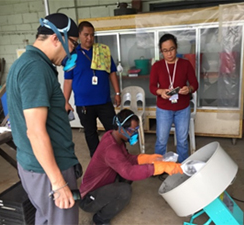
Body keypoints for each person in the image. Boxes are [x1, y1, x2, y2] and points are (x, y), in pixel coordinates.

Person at [6, 13, 81, 225]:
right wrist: (58, 183)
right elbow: (35, 132)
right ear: (57, 38)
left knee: (47, 218)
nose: (73, 50)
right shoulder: (35, 68)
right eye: (73, 43)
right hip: (48, 169)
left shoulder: (29, 63)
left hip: (39, 167)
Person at [79, 109, 183, 225]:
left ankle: (107, 198)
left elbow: (127, 159)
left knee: (130, 173)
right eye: (131, 131)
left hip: (103, 184)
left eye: (136, 130)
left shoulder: (113, 136)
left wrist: (149, 159)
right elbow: (129, 172)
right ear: (120, 128)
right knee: (125, 190)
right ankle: (100, 219)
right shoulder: (111, 149)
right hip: (88, 198)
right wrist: (160, 168)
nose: (134, 134)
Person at [63, 21, 121, 157]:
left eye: (92, 35)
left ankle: (119, 156)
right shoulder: (72, 55)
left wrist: (117, 93)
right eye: (86, 35)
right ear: (79, 35)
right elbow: (68, 80)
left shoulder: (102, 51)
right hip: (84, 104)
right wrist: (65, 101)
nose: (89, 38)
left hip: (104, 101)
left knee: (113, 131)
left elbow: (112, 72)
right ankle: (97, 159)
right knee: (90, 133)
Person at [149, 33, 199, 163]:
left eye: (171, 49)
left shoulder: (185, 64)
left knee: (182, 140)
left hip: (183, 108)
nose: (169, 54)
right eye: (165, 51)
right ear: (161, 52)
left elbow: (195, 84)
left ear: (176, 47)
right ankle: (159, 167)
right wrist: (160, 91)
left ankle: (183, 166)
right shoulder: (157, 66)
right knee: (161, 140)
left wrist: (189, 89)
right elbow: (152, 87)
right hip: (164, 108)